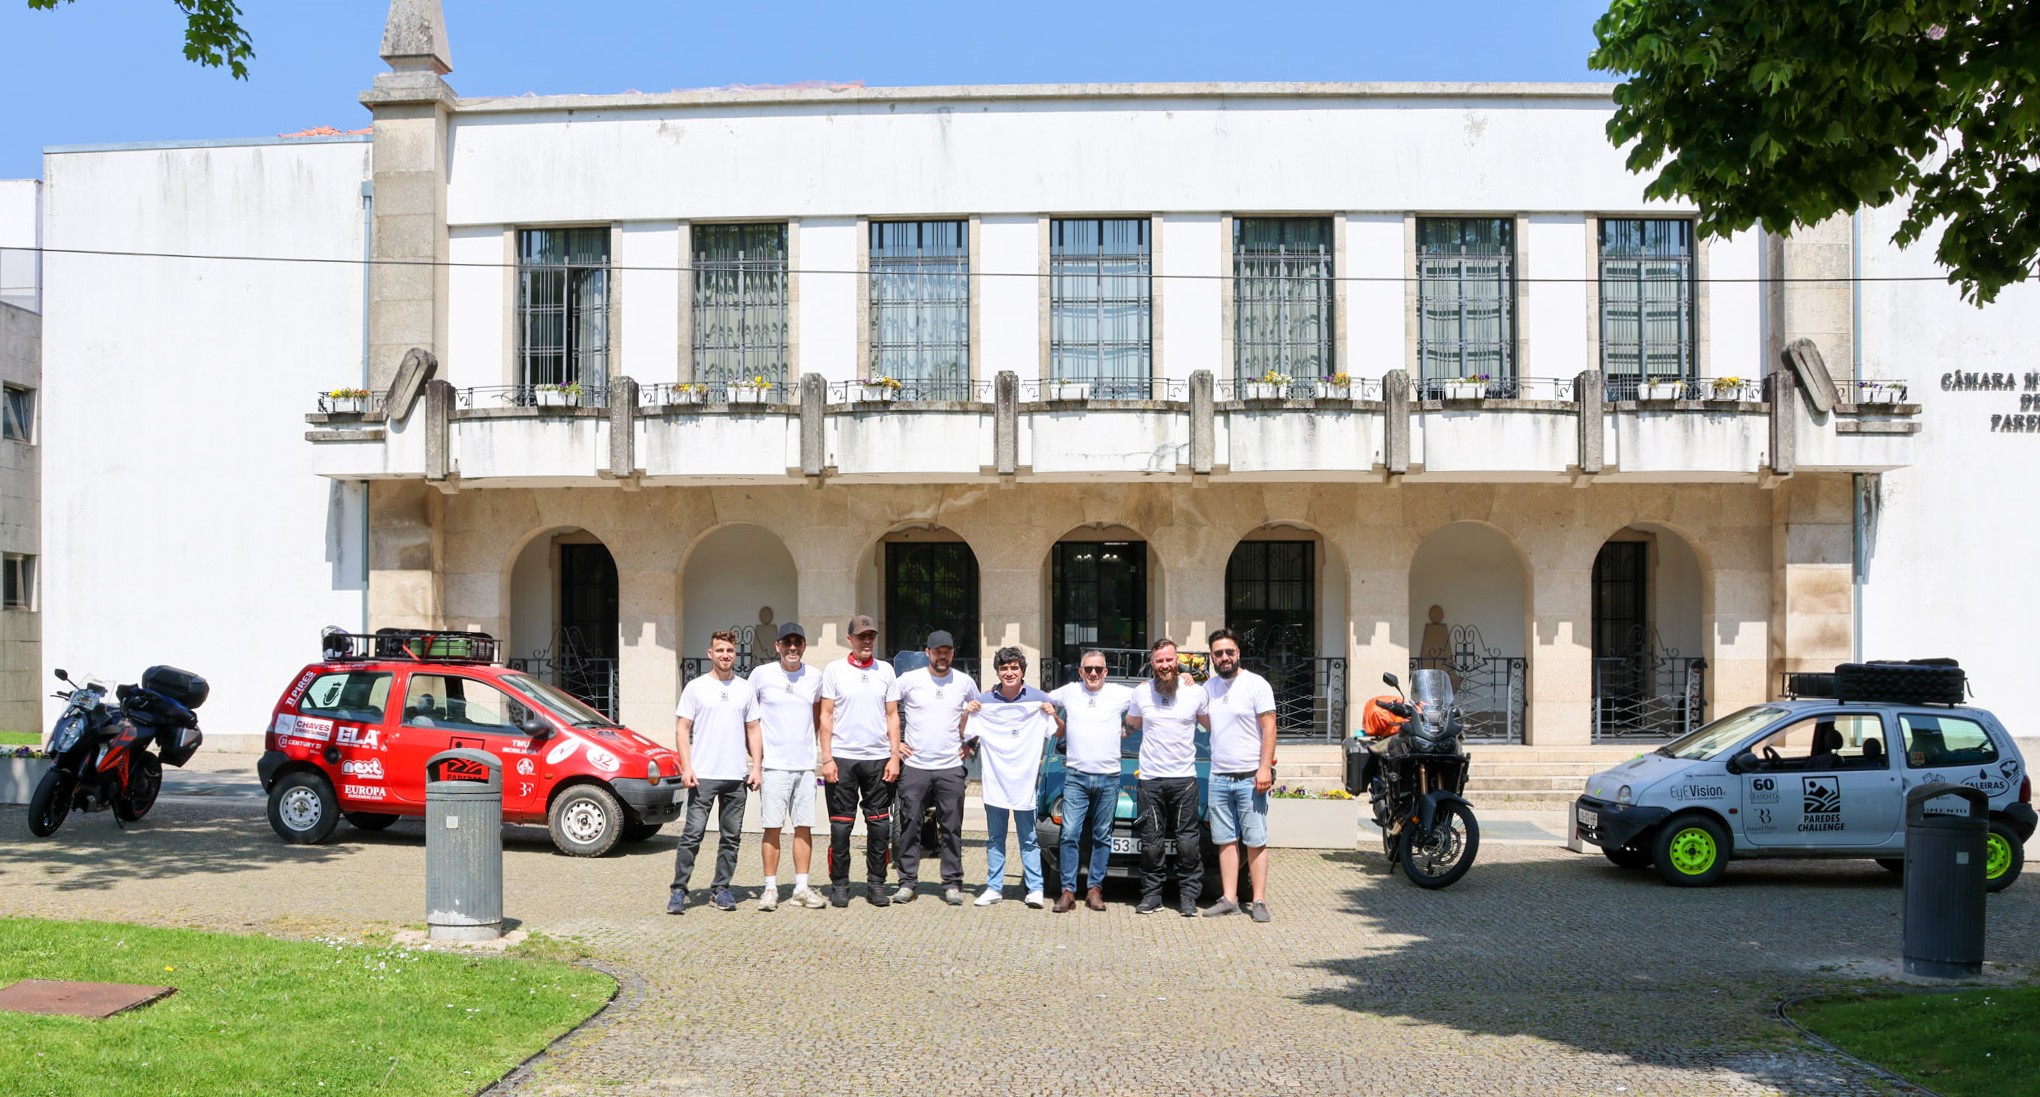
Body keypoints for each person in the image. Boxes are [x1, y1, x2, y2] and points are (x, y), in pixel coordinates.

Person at [667, 630, 763, 914]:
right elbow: (682, 729)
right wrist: (686, 767)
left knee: (731, 838)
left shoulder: (745, 689)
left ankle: (721, 889)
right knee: (692, 835)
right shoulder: (696, 688)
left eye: (730, 651)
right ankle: (679, 891)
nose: (725, 655)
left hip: (736, 776)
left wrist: (756, 766)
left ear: (736, 654)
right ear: (710, 653)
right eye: (720, 650)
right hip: (703, 776)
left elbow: (754, 729)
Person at [818, 614, 903, 907]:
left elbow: (892, 715)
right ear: (850, 639)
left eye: (871, 636)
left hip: (878, 759)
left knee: (880, 825)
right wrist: (826, 758)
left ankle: (876, 883)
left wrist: (894, 757)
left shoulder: (886, 671)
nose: (867, 641)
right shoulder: (834, 670)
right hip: (842, 759)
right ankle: (840, 885)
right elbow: (826, 715)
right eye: (861, 636)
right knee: (841, 826)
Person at [970, 646, 1062, 908]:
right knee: (995, 838)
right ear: (997, 671)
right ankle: (993, 887)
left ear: (1022, 670)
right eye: (1004, 668)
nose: (1009, 672)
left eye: (1014, 667)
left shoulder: (1037, 699)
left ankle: (1035, 889)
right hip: (995, 781)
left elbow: (1056, 733)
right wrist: (969, 711)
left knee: (1029, 838)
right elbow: (966, 734)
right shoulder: (985, 702)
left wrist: (1051, 712)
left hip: (1025, 783)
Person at [891, 629, 977, 905]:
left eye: (947, 651)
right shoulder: (909, 680)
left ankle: (952, 883)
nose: (942, 655)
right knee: (909, 824)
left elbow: (978, 711)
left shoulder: (964, 682)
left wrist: (971, 742)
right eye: (937, 651)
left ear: (952, 652)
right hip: (915, 765)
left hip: (950, 766)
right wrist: (894, 744)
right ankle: (907, 882)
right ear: (927, 652)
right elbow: (885, 707)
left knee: (951, 827)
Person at [1125, 637, 1209, 916]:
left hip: (1184, 779)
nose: (1164, 665)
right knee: (1151, 842)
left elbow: (1214, 728)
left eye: (1169, 660)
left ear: (1177, 661)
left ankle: (1188, 896)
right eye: (1159, 660)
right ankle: (1152, 896)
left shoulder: (1195, 692)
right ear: (1152, 663)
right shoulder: (1140, 693)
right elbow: (1131, 727)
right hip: (1150, 780)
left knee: (1188, 843)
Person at [748, 621, 828, 911]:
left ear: (804, 646)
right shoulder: (761, 675)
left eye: (798, 643)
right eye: (787, 643)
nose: (793, 648)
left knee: (804, 827)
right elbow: (750, 719)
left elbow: (819, 715)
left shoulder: (815, 677)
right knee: (772, 827)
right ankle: (770, 888)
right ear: (778, 646)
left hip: (804, 765)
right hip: (773, 766)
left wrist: (818, 752)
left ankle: (801, 888)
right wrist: (755, 760)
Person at [1047, 649, 1134, 912]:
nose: (1093, 673)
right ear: (1080, 671)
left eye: (1098, 669)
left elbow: (1151, 691)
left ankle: (1095, 890)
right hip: (1076, 777)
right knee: (1070, 834)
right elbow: (1037, 698)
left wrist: (1187, 678)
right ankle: (1068, 891)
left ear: (1106, 672)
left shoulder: (1120, 693)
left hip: (1109, 778)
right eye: (1088, 669)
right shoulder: (1070, 692)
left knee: (1102, 836)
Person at [1201, 627, 1278, 923]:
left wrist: (1264, 767)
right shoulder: (1208, 689)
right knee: (1225, 840)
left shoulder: (1256, 685)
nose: (1224, 657)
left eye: (1229, 652)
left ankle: (1258, 900)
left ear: (1238, 653)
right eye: (1218, 653)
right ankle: (1229, 898)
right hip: (1219, 776)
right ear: (1212, 656)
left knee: (1255, 840)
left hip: (1251, 777)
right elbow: (1204, 720)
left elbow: (1269, 727)